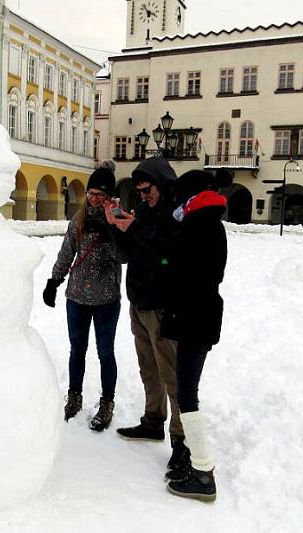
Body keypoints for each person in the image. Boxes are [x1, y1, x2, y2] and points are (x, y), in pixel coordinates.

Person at [102, 157, 191, 481]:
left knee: (172, 375)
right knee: (148, 368)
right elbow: (130, 254)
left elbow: (167, 258)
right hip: (139, 304)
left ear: (162, 183)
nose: (142, 195)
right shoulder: (147, 213)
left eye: (147, 189)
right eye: (138, 190)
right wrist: (117, 226)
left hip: (163, 307)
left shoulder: (177, 214)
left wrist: (135, 227)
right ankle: (153, 421)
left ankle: (182, 441)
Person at [163, 169, 231, 503]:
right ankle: (195, 463)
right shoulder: (210, 224)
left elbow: (177, 270)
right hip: (200, 316)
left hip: (194, 318)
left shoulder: (197, 226)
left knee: (187, 394)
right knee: (187, 390)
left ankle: (203, 474)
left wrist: (165, 261)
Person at [43, 163, 126, 432]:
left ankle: (107, 402)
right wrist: (54, 281)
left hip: (106, 299)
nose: (94, 198)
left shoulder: (119, 218)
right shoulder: (77, 220)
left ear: (110, 197)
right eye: (91, 193)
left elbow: (126, 256)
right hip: (77, 297)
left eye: (100, 194)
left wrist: (113, 229)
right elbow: (67, 253)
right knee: (77, 350)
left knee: (105, 352)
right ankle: (75, 396)